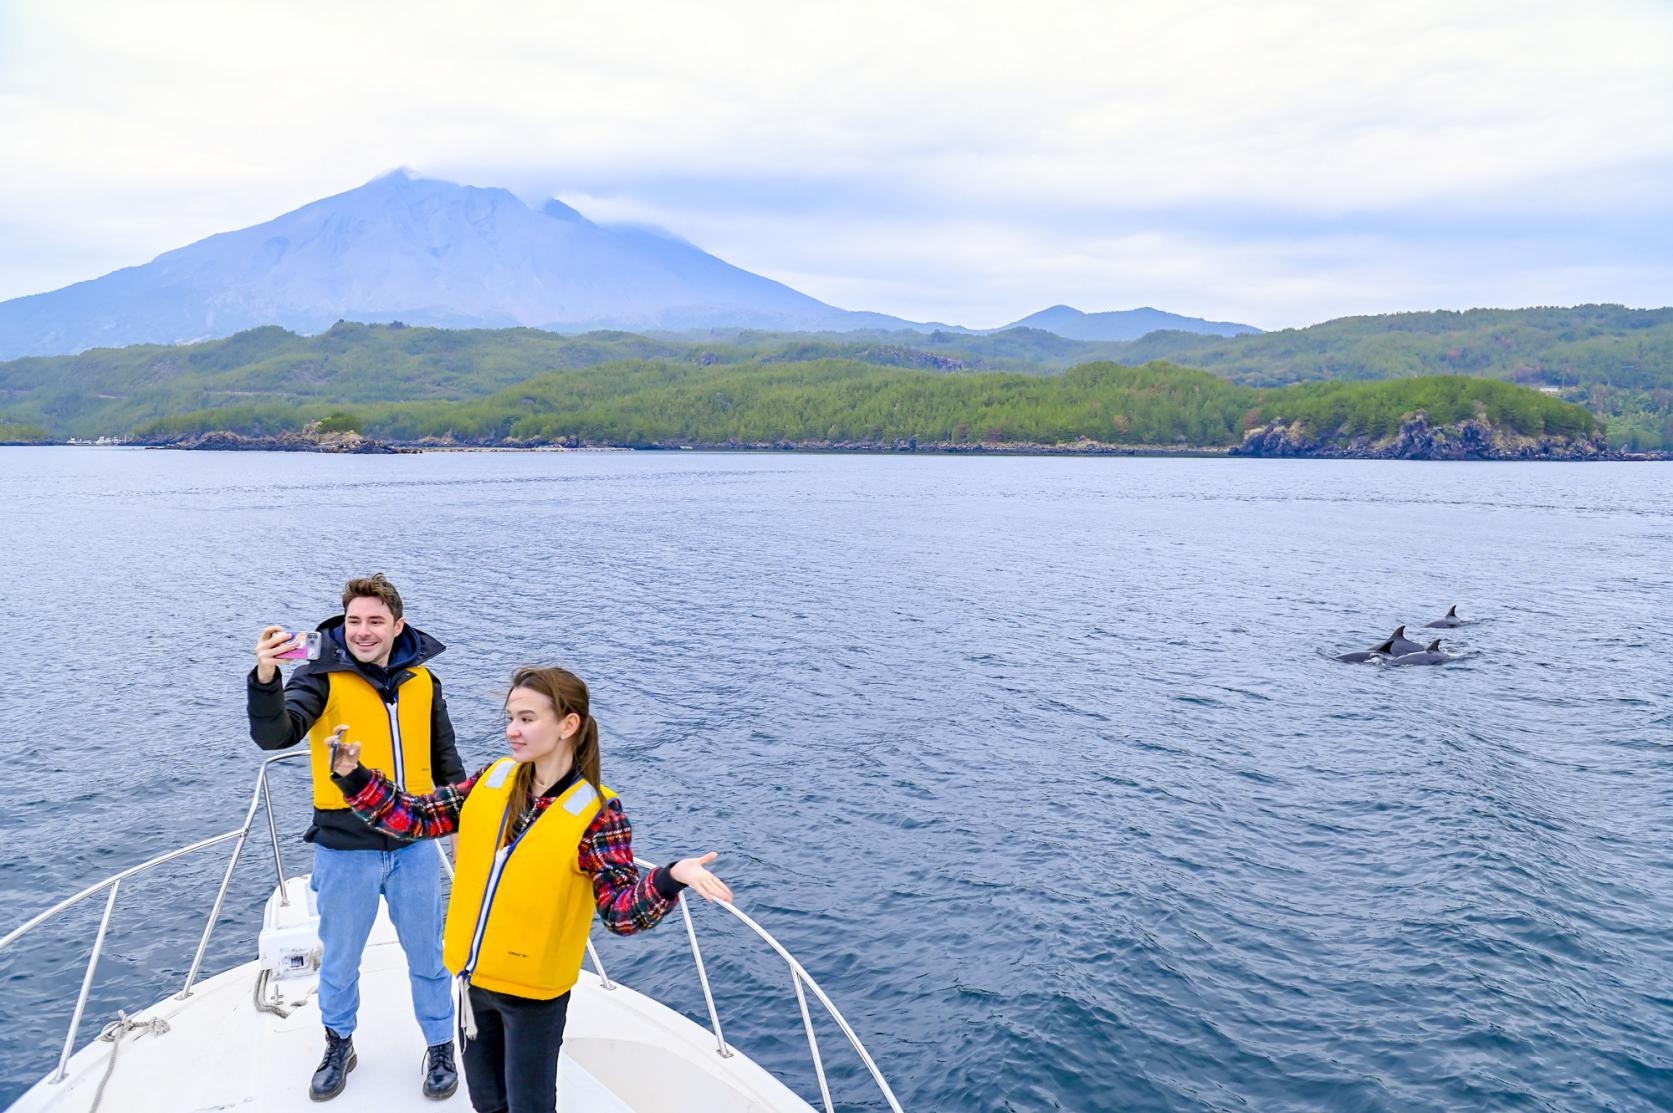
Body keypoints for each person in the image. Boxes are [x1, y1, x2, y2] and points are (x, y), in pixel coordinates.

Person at [327, 665, 733, 1113]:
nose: (512, 731)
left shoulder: (598, 814)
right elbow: (416, 817)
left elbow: (621, 914)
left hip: (533, 999)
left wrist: (670, 876)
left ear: (568, 725)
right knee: (487, 1103)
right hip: (472, 983)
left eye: (526, 719)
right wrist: (354, 776)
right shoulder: (491, 781)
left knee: (530, 1107)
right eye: (510, 718)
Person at [248, 573, 465, 1102]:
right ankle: (339, 1042)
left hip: (413, 845)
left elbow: (446, 761)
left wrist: (465, 827)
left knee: (429, 957)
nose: (362, 632)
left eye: (374, 621)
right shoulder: (317, 677)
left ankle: (439, 1045)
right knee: (341, 960)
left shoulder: (423, 683)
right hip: (345, 849)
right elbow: (274, 734)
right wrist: (266, 674)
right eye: (353, 621)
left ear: (398, 625)